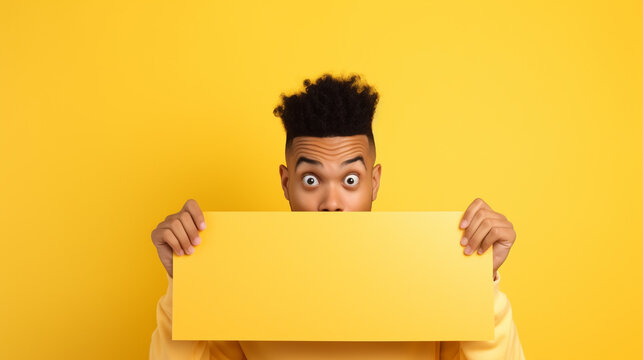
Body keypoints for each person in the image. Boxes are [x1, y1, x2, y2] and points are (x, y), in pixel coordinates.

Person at [149, 74, 525, 359]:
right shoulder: (239, 276)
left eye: (350, 179)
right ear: (286, 182)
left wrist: (481, 283)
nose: (331, 202)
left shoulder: (433, 268)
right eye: (311, 179)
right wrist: (183, 287)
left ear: (374, 183)